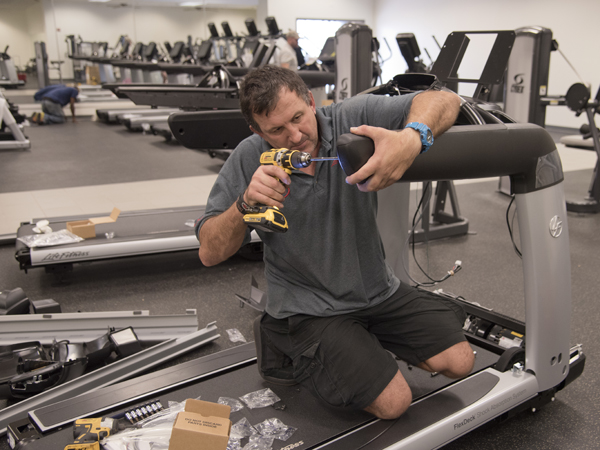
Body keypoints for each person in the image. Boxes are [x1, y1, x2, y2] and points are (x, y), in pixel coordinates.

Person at [196, 66, 474, 420]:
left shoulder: (351, 118)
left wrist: (412, 136)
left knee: (459, 361)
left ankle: (361, 345)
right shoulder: (249, 156)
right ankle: (286, 341)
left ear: (311, 101)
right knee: (394, 403)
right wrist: (244, 205)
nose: (295, 136)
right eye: (277, 130)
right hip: (309, 308)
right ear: (256, 131)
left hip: (378, 290)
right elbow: (209, 252)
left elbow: (445, 100)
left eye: (298, 117)